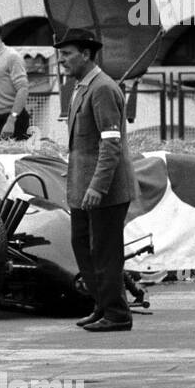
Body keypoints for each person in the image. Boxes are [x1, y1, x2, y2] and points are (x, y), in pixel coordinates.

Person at [55, 29, 138, 333]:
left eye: (67, 54)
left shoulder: (102, 89)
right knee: (84, 248)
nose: (61, 60)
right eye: (60, 54)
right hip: (83, 189)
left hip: (104, 191)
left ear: (86, 54)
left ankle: (117, 314)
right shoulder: (82, 87)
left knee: (104, 252)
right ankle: (102, 305)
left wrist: (96, 187)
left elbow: (111, 144)